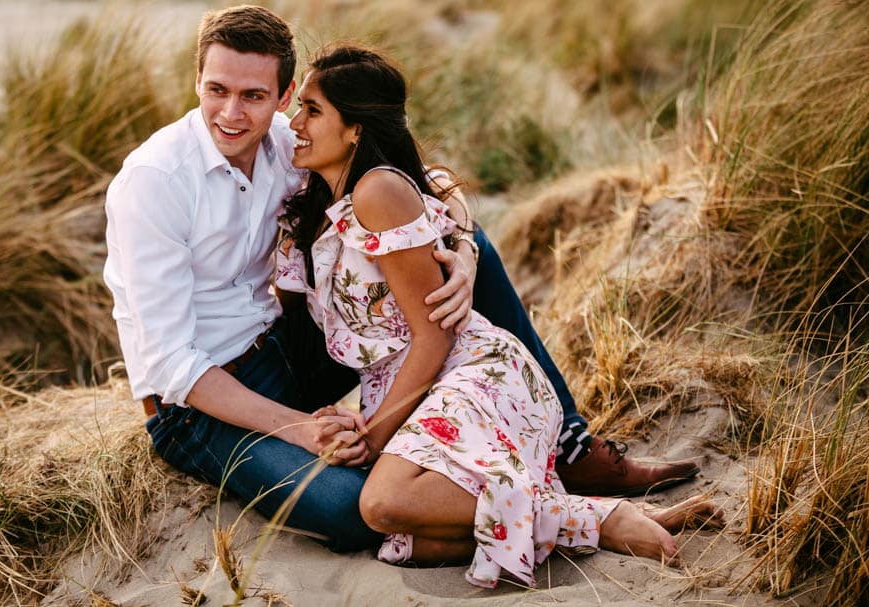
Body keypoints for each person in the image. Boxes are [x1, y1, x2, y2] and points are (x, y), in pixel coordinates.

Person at [102, 5, 698, 554]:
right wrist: (302, 430)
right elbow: (174, 365)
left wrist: (463, 253)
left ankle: (572, 447)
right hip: (202, 402)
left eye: (253, 96)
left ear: (283, 96)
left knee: (474, 250)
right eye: (217, 90)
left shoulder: (288, 141)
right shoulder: (154, 183)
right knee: (348, 513)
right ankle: (578, 517)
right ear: (197, 83)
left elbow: (425, 180)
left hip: (293, 351)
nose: (231, 114)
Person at [277, 44, 720, 587]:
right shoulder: (322, 199)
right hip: (411, 386)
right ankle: (584, 515)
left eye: (312, 110)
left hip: (467, 374)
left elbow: (433, 335)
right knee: (413, 543)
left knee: (384, 506)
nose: (294, 122)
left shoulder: (377, 191)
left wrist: (372, 435)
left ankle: (600, 516)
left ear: (355, 130)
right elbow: (438, 181)